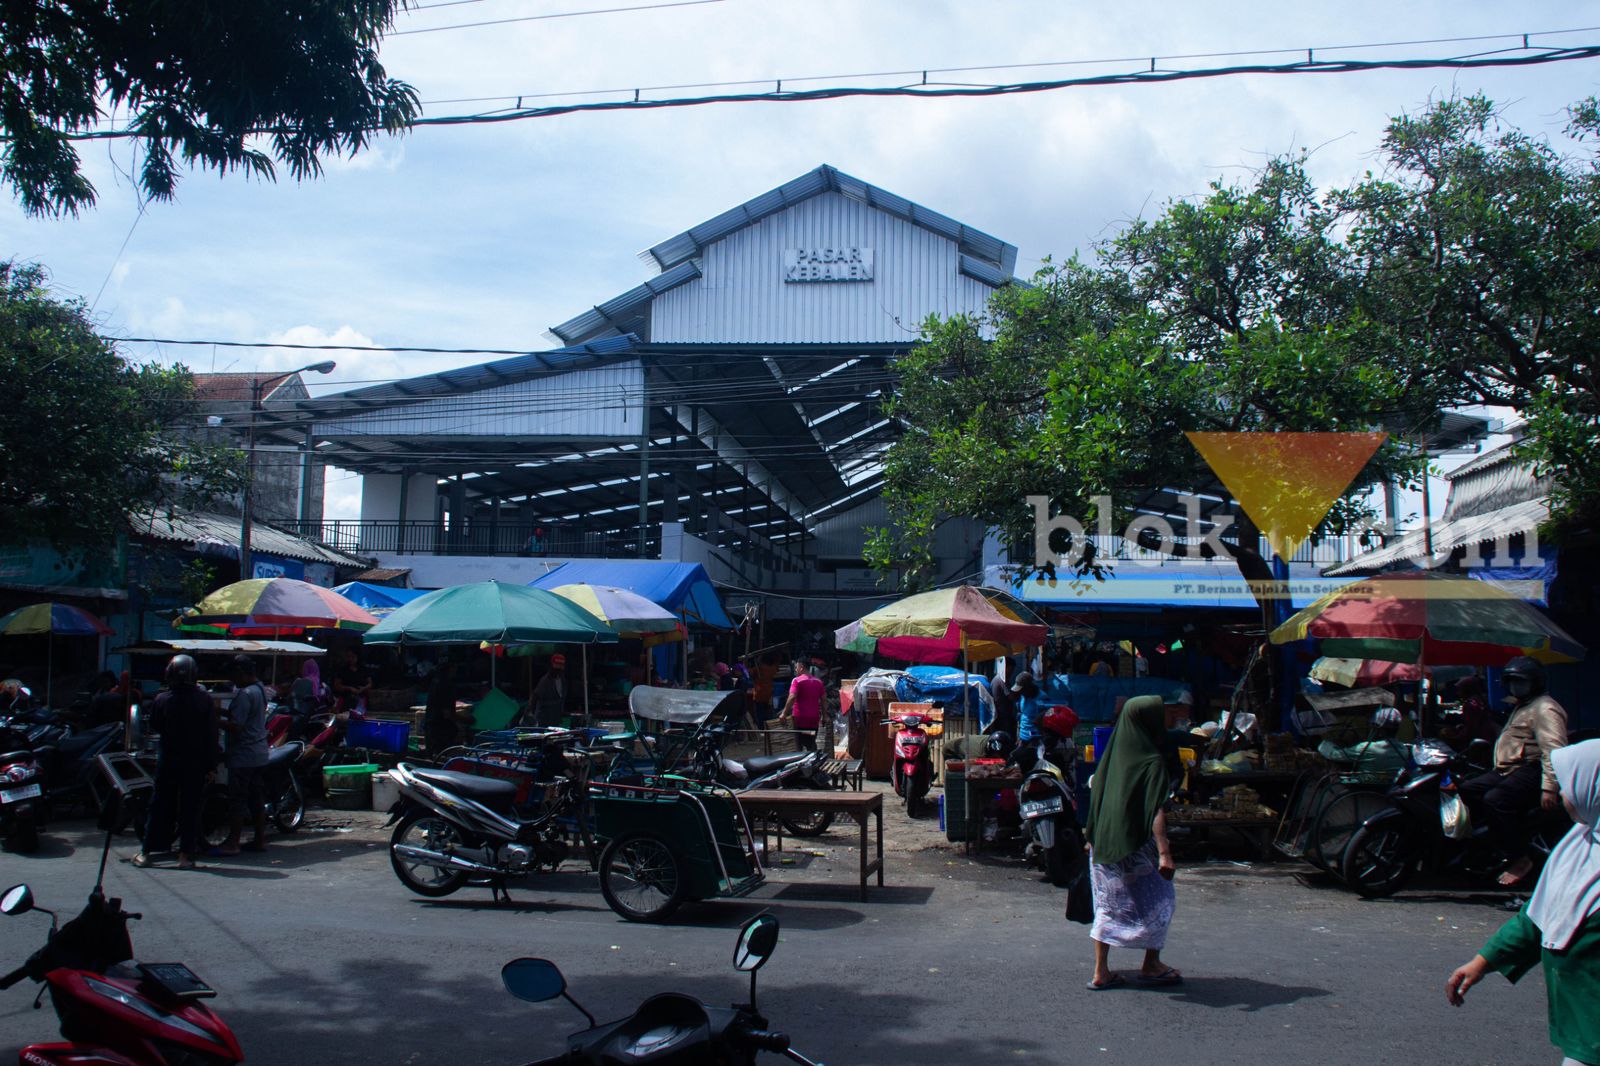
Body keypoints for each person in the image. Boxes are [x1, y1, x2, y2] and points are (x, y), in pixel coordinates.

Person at [1446, 739, 1600, 1066]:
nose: (1560, 797)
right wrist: (1482, 963)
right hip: (1582, 1029)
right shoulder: (1578, 845)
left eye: (1569, 786)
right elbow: (1539, 917)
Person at [1082, 694, 1181, 990]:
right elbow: (1156, 809)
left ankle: (1101, 971)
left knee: (1107, 906)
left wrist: (1090, 837)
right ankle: (1151, 964)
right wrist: (1164, 853)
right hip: (1137, 846)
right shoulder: (1150, 761)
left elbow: (1095, 799)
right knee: (1161, 900)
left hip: (1104, 846)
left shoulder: (1111, 758)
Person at [1459, 656, 1569, 887]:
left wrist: (1550, 787)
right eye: (1511, 682)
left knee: (1495, 800)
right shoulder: (1523, 706)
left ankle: (1520, 857)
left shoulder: (1545, 708)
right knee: (1466, 790)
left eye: (1520, 682)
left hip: (1531, 768)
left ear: (1535, 683)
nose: (1514, 687)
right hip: (1507, 770)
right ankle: (1492, 845)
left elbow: (1554, 750)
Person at [132, 656, 219, 870]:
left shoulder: (161, 699)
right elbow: (211, 735)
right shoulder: (204, 700)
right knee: (190, 808)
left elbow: (156, 726)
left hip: (168, 759)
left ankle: (146, 852)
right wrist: (211, 765)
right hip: (195, 762)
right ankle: (185, 857)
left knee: (159, 805)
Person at [214, 655, 270, 856]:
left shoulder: (245, 694)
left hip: (244, 754)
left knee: (238, 799)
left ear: (240, 672)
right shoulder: (259, 690)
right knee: (256, 798)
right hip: (258, 752)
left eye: (233, 674)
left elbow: (237, 726)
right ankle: (260, 840)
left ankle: (233, 842)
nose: (232, 679)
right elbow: (246, 717)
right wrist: (220, 712)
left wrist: (213, 720)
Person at [423, 661, 469, 755]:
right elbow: (447, 713)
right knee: (441, 755)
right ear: (450, 669)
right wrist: (464, 720)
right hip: (440, 729)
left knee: (433, 755)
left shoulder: (435, 682)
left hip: (432, 726)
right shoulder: (445, 685)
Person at [782, 660, 827, 751]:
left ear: (801, 667)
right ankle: (814, 758)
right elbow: (824, 700)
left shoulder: (797, 681)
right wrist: (824, 716)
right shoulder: (819, 682)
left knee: (799, 743)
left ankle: (802, 761)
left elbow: (792, 696)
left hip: (800, 718)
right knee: (811, 741)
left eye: (796, 667)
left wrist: (784, 713)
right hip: (814, 719)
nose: (795, 670)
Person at [531, 653, 567, 727]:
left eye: (561, 666)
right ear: (552, 665)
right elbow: (536, 697)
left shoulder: (562, 679)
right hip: (544, 718)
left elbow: (562, 696)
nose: (559, 668)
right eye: (557, 665)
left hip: (556, 717)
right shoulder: (545, 680)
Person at [989, 663, 1018, 737]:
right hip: (1002, 713)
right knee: (1006, 734)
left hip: (1001, 712)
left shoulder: (998, 678)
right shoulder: (1001, 679)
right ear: (1006, 668)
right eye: (1010, 669)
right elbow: (1011, 697)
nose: (1011, 672)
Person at [1012, 671, 1043, 743]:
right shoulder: (1023, 696)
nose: (1020, 692)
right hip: (1022, 737)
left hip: (1034, 739)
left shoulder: (1041, 699)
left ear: (1028, 687)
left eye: (1021, 689)